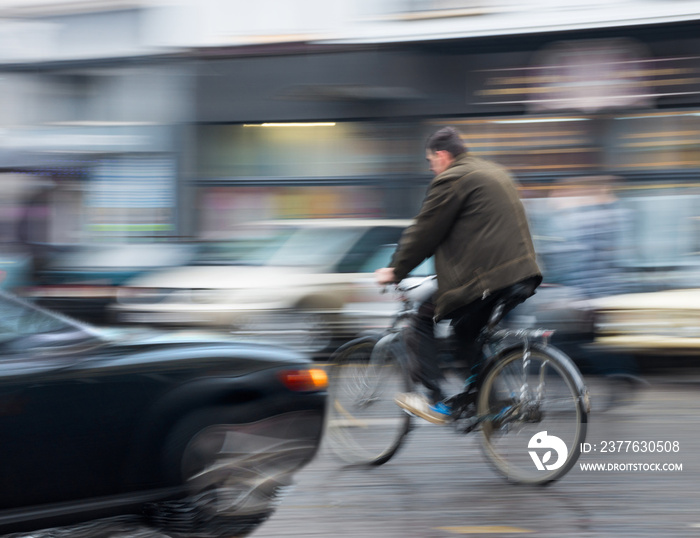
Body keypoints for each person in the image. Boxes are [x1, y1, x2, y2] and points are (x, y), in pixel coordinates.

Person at [375, 126, 542, 424]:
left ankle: (436, 400)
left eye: (430, 162)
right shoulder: (493, 171)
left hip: (489, 277)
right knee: (466, 333)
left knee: (424, 319)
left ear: (441, 155)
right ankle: (492, 402)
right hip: (522, 273)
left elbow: (424, 232)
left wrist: (395, 270)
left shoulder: (453, 178)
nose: (431, 169)